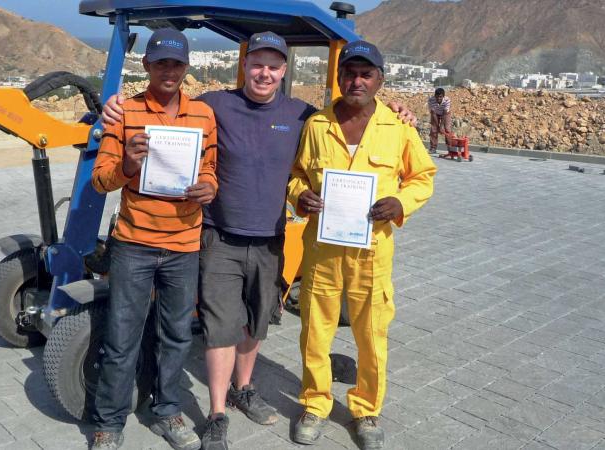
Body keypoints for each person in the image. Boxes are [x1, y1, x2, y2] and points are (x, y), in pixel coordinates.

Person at [101, 32, 418, 450]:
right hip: (218, 236)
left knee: (256, 319)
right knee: (217, 325)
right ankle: (214, 413)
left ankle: (243, 388)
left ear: (284, 71)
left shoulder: (307, 116)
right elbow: (201, 153)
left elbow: (339, 136)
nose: (264, 73)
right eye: (256, 64)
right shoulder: (213, 105)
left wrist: (398, 112)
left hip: (272, 239)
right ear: (244, 67)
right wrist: (114, 106)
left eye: (273, 65)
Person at [287, 40, 436, 449]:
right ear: (338, 78)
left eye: (365, 74)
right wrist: (299, 196)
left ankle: (366, 409)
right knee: (315, 331)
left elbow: (423, 177)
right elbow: (298, 174)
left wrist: (400, 202)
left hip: (372, 252)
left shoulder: (398, 127)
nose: (357, 80)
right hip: (321, 250)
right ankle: (315, 404)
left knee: (372, 334)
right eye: (349, 73)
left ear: (379, 80)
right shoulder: (317, 125)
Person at [89, 29, 218, 450]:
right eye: (161, 62)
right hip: (133, 244)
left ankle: (166, 410)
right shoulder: (124, 114)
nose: (169, 70)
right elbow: (100, 181)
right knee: (122, 334)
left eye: (176, 63)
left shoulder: (203, 116)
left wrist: (209, 188)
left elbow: (210, 169)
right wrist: (127, 163)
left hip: (184, 245)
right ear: (146, 66)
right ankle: (108, 421)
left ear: (186, 68)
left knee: (177, 335)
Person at [428, 87, 452, 153]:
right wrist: (437, 126)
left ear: (443, 96)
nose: (438, 98)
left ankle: (450, 148)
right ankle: (433, 148)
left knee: (447, 129)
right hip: (435, 113)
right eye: (437, 97)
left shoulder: (447, 100)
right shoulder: (431, 100)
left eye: (440, 97)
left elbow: (445, 113)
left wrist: (441, 126)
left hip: (445, 114)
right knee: (433, 129)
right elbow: (433, 113)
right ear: (435, 96)